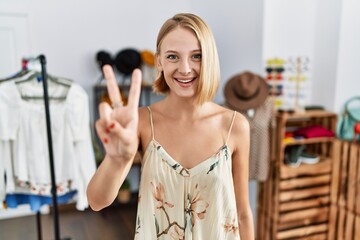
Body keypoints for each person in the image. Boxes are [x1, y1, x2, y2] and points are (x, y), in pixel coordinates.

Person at [87, 13, 254, 240]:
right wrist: (116, 160)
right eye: (173, 56)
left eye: (197, 56)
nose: (185, 69)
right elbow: (97, 201)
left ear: (210, 59)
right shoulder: (143, 123)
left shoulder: (235, 126)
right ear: (159, 61)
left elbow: (242, 214)